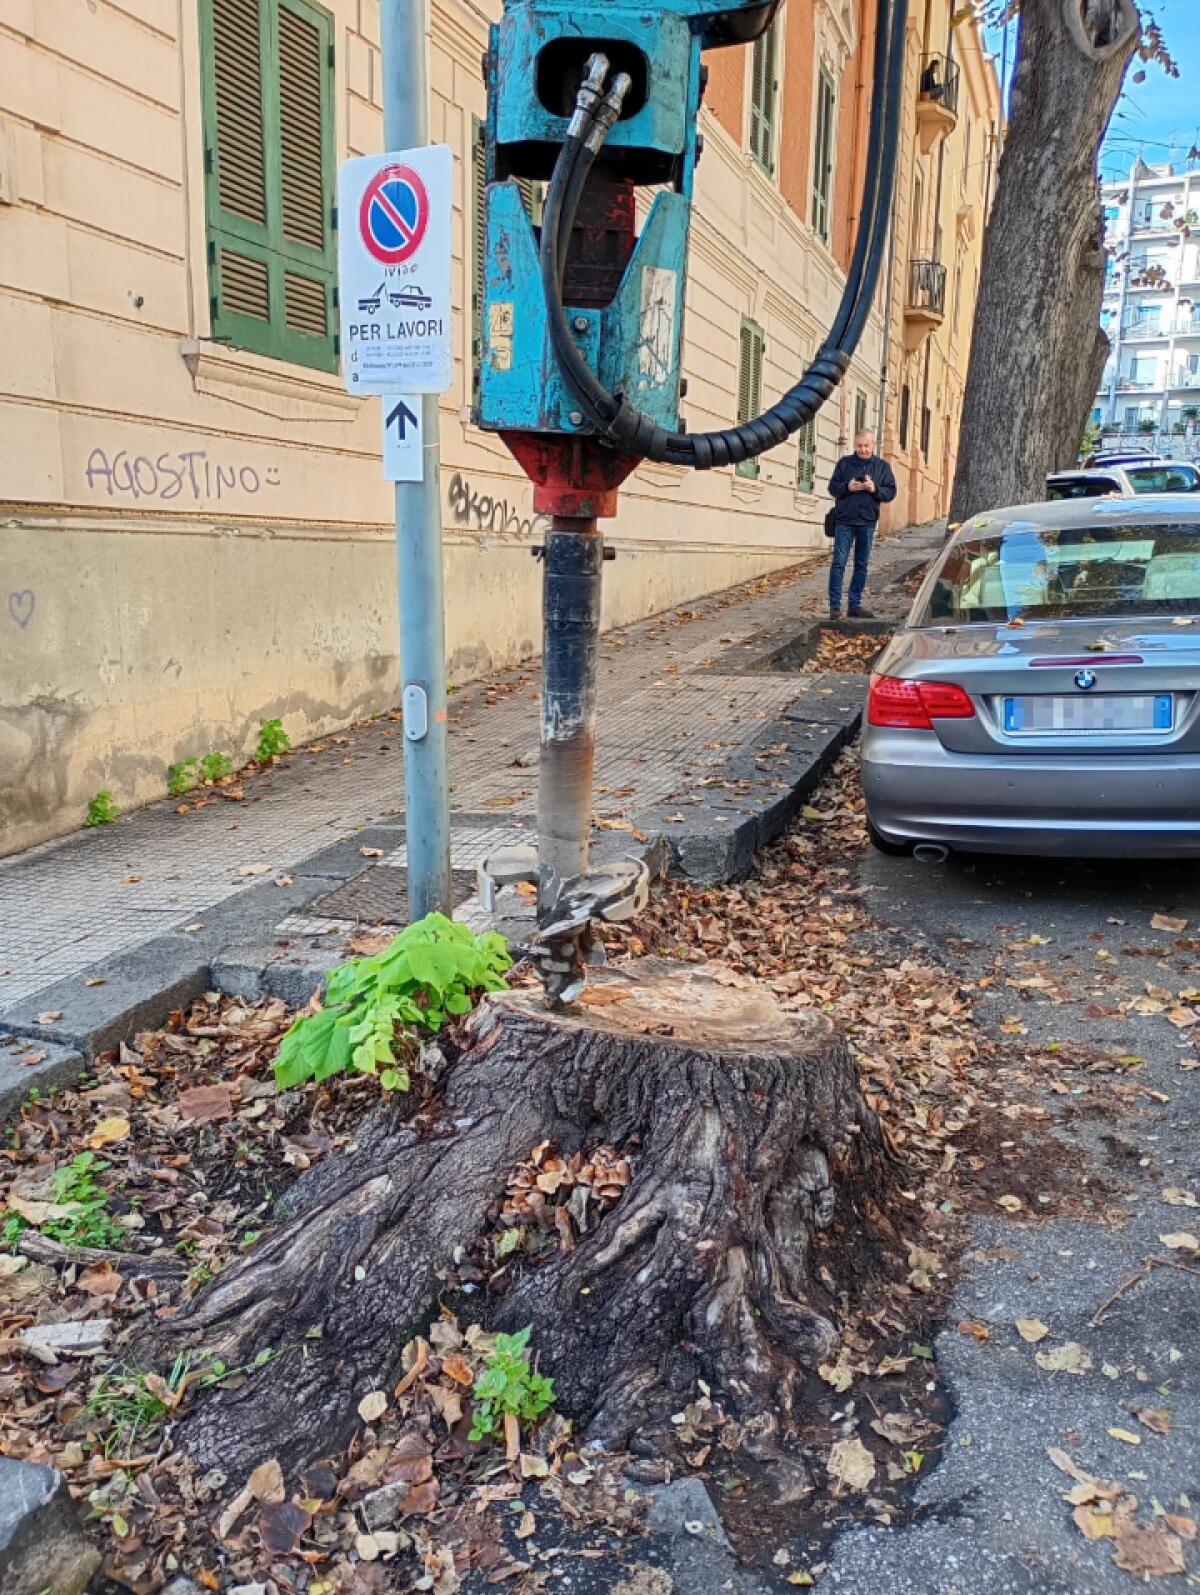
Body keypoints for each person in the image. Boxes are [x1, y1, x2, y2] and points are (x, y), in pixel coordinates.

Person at [826, 429, 897, 619]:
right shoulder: (844, 463)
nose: (863, 450)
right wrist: (847, 487)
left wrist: (874, 489)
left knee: (861, 564)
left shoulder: (882, 467)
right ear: (854, 445)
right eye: (859, 446)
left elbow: (890, 492)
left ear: (873, 446)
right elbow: (832, 488)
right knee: (839, 563)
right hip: (844, 520)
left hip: (867, 521)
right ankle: (834, 607)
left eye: (866, 446)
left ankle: (854, 605)